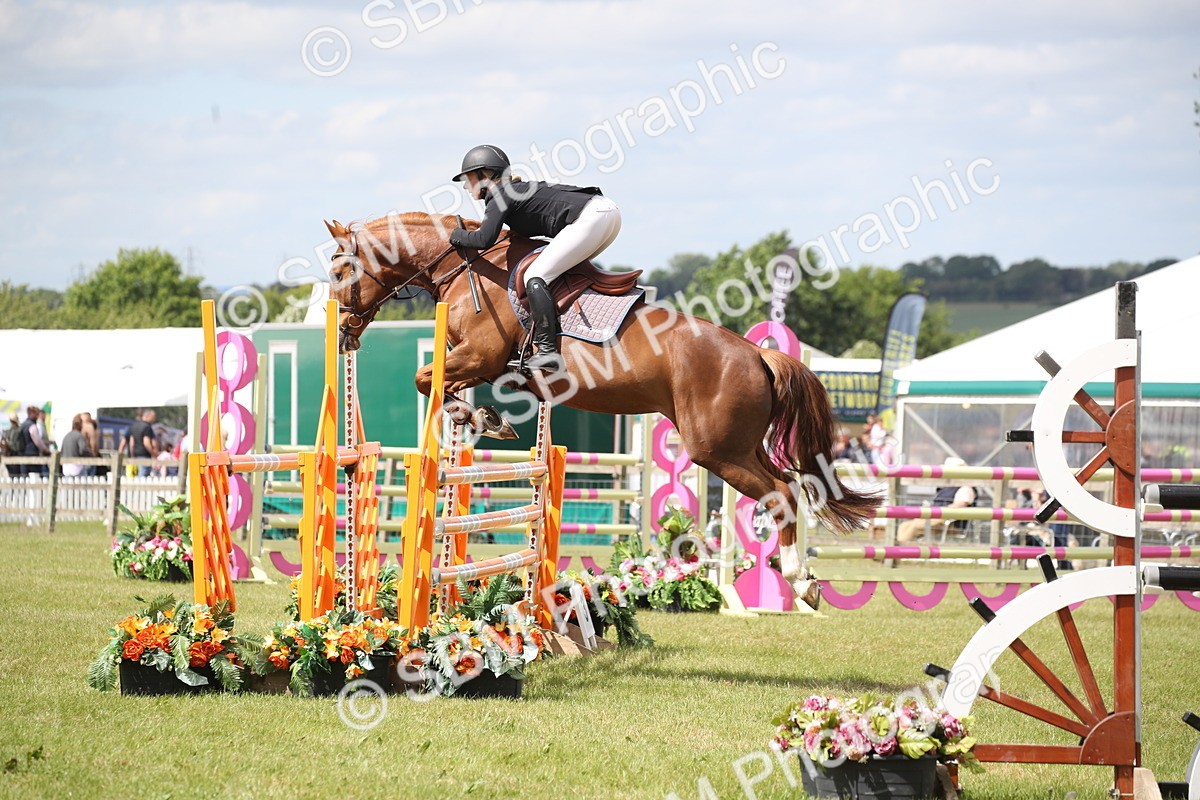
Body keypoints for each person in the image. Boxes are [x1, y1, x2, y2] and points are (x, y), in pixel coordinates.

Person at [447, 144, 622, 372]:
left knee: (535, 275)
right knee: (559, 273)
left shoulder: (500, 193)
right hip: (606, 214)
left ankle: (548, 351)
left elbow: (484, 239)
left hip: (592, 217)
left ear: (485, 175)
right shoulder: (512, 191)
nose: (467, 187)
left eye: (469, 179)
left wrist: (454, 235)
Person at [18, 406, 50, 476]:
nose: (37, 415)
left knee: (24, 478)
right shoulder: (32, 425)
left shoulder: (23, 424)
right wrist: (45, 450)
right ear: (32, 413)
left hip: (23, 455)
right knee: (36, 478)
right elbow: (38, 441)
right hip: (32, 454)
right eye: (36, 413)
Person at [126, 409, 158, 477]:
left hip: (135, 456)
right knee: (143, 478)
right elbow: (146, 443)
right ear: (148, 416)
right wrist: (154, 454)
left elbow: (131, 443)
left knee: (136, 476)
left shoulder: (133, 426)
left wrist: (132, 456)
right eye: (153, 417)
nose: (154, 419)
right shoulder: (147, 427)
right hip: (144, 456)